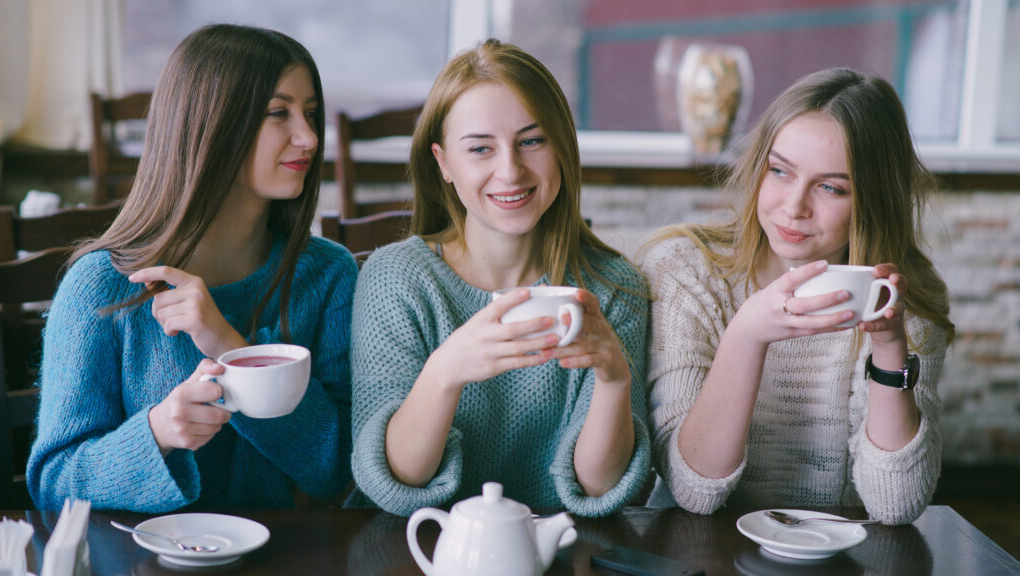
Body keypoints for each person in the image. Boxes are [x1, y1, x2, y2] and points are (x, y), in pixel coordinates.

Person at [26, 24, 357, 512]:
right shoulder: (99, 286)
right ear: (211, 123)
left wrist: (232, 347)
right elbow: (53, 484)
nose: (308, 136)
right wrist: (157, 433)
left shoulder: (330, 275)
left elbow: (337, 470)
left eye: (310, 113)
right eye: (277, 113)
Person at [349, 39, 650, 517]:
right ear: (444, 163)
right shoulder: (396, 278)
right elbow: (398, 480)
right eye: (480, 149)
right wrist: (446, 372)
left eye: (532, 141)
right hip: (421, 548)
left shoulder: (613, 287)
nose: (510, 170)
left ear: (562, 150)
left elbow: (600, 489)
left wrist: (614, 379)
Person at [641, 67, 954, 525]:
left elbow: (896, 505)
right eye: (780, 171)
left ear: (873, 198)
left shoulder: (904, 299)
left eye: (831, 187)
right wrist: (747, 333)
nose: (794, 206)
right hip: (702, 549)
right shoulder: (686, 270)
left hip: (836, 556)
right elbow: (693, 490)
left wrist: (889, 347)